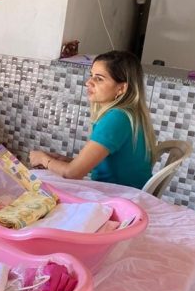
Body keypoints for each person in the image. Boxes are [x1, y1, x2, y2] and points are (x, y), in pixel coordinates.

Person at [29, 50, 156, 189]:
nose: (88, 82)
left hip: (117, 196)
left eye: (99, 78)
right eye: (91, 75)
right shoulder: (129, 113)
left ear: (121, 88)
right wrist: (66, 161)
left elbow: (72, 174)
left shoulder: (116, 118)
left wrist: (43, 159)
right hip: (126, 191)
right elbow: (110, 165)